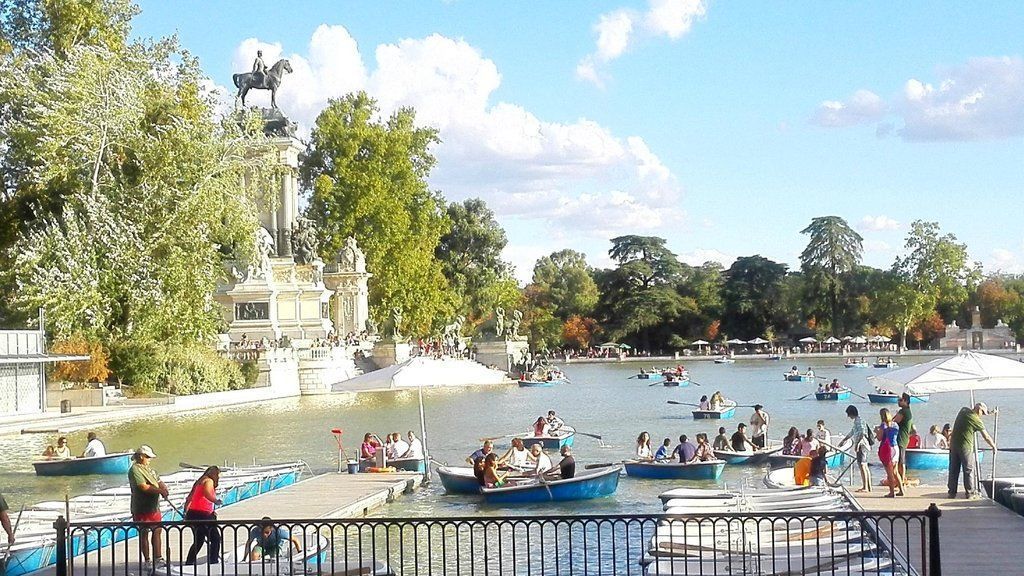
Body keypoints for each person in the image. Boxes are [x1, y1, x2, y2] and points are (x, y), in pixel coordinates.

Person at [128, 445, 168, 571]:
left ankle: (158, 557)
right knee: (144, 533)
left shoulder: (151, 470)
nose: (149, 459)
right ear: (141, 457)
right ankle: (147, 560)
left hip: (154, 507)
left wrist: (164, 488)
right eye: (148, 457)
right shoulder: (135, 470)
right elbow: (143, 487)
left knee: (157, 531)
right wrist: (160, 490)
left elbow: (159, 480)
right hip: (141, 507)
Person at [948, 403, 997, 499]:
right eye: (982, 413)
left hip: (953, 445)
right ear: (979, 410)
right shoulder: (976, 420)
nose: (982, 415)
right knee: (968, 470)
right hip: (965, 447)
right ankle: (970, 493)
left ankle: (952, 492)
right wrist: (993, 446)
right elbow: (986, 436)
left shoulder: (963, 411)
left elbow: (974, 412)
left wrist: (991, 412)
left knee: (953, 469)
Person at [183, 466, 223, 565]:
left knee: (199, 540)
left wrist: (185, 512)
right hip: (203, 514)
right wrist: (216, 501)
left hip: (193, 514)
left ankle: (189, 561)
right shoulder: (209, 481)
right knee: (215, 538)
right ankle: (213, 561)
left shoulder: (199, 481)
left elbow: (189, 498)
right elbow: (207, 494)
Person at [838, 405, 872, 493]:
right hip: (863, 445)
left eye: (848, 414)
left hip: (862, 445)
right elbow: (852, 432)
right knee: (864, 465)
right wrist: (844, 440)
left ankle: (865, 487)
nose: (848, 416)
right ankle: (868, 486)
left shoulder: (859, 421)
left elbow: (862, 433)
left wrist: (857, 444)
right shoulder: (858, 421)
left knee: (862, 465)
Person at [877, 408, 904, 498]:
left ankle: (892, 492)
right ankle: (901, 489)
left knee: (889, 472)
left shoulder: (883, 425)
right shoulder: (895, 425)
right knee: (895, 471)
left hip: (888, 448)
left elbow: (879, 438)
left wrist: (877, 431)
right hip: (895, 447)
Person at [893, 393, 914, 480]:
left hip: (901, 438)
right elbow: (913, 429)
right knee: (901, 459)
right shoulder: (908, 411)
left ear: (905, 401)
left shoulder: (903, 411)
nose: (898, 402)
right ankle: (901, 478)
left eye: (900, 400)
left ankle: (901, 479)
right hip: (905, 437)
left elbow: (894, 421)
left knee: (900, 460)